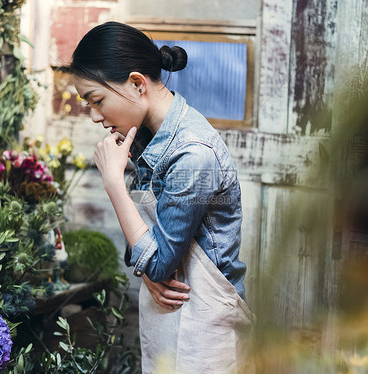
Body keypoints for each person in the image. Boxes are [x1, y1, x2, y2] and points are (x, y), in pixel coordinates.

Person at [70, 21, 254, 373]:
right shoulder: (147, 137)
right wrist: (150, 267)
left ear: (137, 83)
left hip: (206, 324)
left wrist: (113, 183)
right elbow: (147, 246)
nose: (95, 116)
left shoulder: (191, 153)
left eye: (97, 100)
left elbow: (156, 263)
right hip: (173, 316)